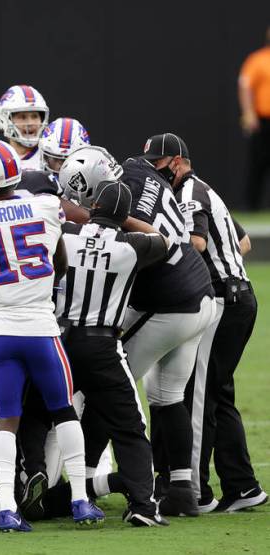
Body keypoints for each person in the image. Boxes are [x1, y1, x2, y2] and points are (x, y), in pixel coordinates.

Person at [0, 138, 102, 532]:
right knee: (63, 411)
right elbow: (60, 262)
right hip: (41, 329)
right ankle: (81, 500)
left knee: (5, 422)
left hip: (0, 333)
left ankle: (8, 509)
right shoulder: (47, 206)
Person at [111, 134, 217, 517]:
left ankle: (88, 487)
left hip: (175, 302)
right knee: (166, 394)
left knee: (111, 390)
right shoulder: (157, 183)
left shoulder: (138, 183)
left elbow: (133, 230)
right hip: (200, 297)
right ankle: (181, 489)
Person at [56, 180, 170, 526]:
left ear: (94, 207)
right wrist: (127, 219)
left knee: (33, 417)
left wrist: (87, 214)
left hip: (58, 342)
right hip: (103, 345)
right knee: (129, 427)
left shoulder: (66, 233)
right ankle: (143, 507)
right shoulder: (132, 245)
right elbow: (163, 239)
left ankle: (15, 490)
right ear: (122, 216)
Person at [168, 142, 267, 512]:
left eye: (159, 163)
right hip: (240, 297)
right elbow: (241, 242)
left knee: (199, 397)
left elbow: (195, 241)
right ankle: (243, 486)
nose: (156, 172)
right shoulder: (206, 188)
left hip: (224, 302)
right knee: (219, 394)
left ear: (177, 163)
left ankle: (193, 490)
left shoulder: (188, 192)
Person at [239, 26, 270, 209]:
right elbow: (245, 86)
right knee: (257, 166)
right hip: (263, 121)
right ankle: (251, 207)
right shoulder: (258, 60)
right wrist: (249, 113)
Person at [0, 85, 49, 171]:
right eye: (22, 117)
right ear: (6, 120)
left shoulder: (51, 158)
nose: (30, 123)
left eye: (34, 116)